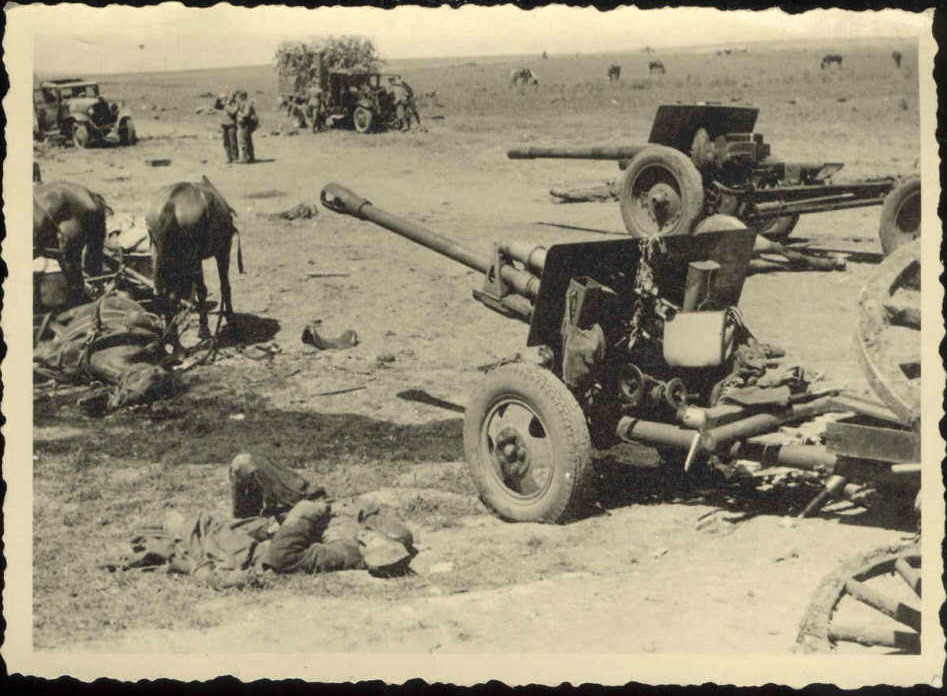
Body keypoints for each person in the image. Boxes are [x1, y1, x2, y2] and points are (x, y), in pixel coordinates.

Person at [110, 453, 416, 588]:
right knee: (246, 464)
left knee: (186, 526)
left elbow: (281, 557)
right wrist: (342, 509)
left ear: (368, 559)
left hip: (292, 518)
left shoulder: (343, 553)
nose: (371, 540)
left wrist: (304, 514)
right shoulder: (397, 534)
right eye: (382, 542)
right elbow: (367, 509)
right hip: (313, 506)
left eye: (373, 548)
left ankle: (207, 524)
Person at [234, 90, 259, 164]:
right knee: (247, 141)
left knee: (243, 141)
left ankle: (244, 158)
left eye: (238, 97)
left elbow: (246, 114)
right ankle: (251, 157)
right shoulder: (246, 103)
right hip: (246, 125)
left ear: (241, 96)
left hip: (244, 125)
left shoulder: (246, 104)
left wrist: (239, 114)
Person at [215, 91, 238, 163]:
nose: (224, 100)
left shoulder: (233, 104)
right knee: (225, 142)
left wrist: (226, 104)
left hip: (231, 125)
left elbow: (233, 112)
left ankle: (235, 157)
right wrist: (218, 98)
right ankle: (229, 157)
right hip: (224, 125)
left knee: (233, 142)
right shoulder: (224, 104)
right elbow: (216, 106)